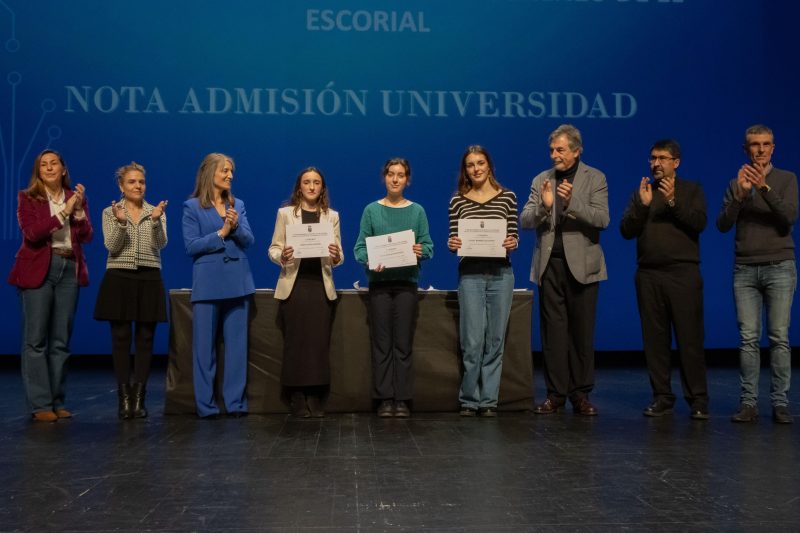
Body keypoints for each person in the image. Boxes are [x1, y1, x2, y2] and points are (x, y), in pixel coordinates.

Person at [520, 124, 608, 416]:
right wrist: (546, 207)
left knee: (581, 334)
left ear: (576, 150)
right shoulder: (541, 179)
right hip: (550, 266)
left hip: (583, 267)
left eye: (560, 149)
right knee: (553, 335)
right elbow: (526, 219)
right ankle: (555, 395)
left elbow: (601, 218)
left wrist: (571, 204)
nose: (554, 155)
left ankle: (580, 395)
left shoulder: (595, 178)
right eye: (551, 150)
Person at [620, 139, 709, 420]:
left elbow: (699, 223)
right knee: (655, 341)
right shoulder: (643, 192)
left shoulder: (692, 190)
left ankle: (698, 399)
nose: (655, 163)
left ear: (676, 162)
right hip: (649, 275)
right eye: (652, 158)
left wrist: (672, 202)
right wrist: (644, 207)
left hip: (683, 273)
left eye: (662, 158)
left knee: (689, 339)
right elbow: (626, 230)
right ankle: (662, 396)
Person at [717, 125, 798, 424]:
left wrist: (764, 188)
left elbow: (788, 218)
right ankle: (748, 403)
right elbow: (722, 225)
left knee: (779, 337)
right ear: (746, 149)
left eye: (766, 144)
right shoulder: (735, 184)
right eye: (754, 145)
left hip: (779, 266)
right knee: (748, 338)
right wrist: (740, 196)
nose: (760, 150)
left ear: (773, 148)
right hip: (746, 268)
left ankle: (780, 403)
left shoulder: (787, 179)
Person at [8, 149, 93, 422]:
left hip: (68, 268)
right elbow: (32, 234)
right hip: (38, 269)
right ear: (38, 171)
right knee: (35, 341)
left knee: (60, 340)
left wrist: (78, 212)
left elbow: (86, 236)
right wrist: (63, 214)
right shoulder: (27, 198)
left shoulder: (73, 197)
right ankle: (41, 405)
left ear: (63, 169)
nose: (48, 168)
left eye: (53, 163)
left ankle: (58, 401)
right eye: (43, 165)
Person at [353, 158, 433, 418]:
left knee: (402, 344)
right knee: (382, 344)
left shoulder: (417, 211)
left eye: (400, 175)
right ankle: (384, 398)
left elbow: (428, 246)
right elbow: (359, 248)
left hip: (406, 285)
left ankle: (403, 398)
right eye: (391, 174)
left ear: (407, 180)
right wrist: (369, 259)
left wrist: (420, 250)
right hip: (380, 285)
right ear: (384, 178)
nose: (395, 179)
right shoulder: (371, 211)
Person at [182, 153, 255, 418]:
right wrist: (221, 233)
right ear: (210, 172)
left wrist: (234, 227)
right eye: (225, 171)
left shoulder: (238, 204)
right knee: (204, 348)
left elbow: (249, 240)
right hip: (209, 283)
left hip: (238, 280)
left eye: (231, 171)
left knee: (237, 347)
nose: (230, 176)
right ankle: (206, 405)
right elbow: (191, 246)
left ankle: (235, 403)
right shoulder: (192, 207)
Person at [447, 146, 518, 417]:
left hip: (501, 274)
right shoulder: (458, 201)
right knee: (472, 340)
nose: (475, 169)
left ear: (489, 166)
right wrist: (453, 243)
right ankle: (469, 399)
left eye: (480, 163)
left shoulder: (508, 197)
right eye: (470, 165)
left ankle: (488, 401)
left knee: (495, 340)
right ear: (465, 170)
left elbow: (512, 235)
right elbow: (454, 238)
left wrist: (513, 241)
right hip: (471, 276)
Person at [93, 162, 168, 420]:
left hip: (149, 276)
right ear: (121, 186)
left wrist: (157, 222)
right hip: (119, 276)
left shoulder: (155, 211)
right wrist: (122, 223)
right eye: (132, 182)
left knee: (146, 338)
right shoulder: (110, 212)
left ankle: (139, 398)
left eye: (141, 182)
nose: (138, 186)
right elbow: (111, 246)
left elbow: (161, 245)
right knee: (121, 338)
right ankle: (124, 400)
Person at [268, 167, 343, 418]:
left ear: (322, 187)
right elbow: (274, 248)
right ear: (299, 187)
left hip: (320, 286)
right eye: (307, 182)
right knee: (296, 342)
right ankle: (297, 395)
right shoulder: (286, 214)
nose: (312, 187)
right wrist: (283, 255)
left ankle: (315, 394)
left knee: (317, 343)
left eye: (317, 182)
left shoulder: (331, 216)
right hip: (295, 284)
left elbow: (339, 256)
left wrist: (335, 255)